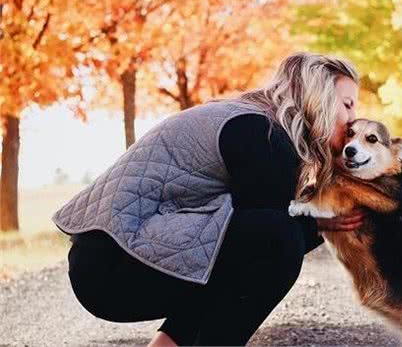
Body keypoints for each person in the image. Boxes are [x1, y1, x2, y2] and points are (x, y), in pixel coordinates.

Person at [61, 52, 365, 346]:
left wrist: (323, 219)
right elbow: (277, 240)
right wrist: (326, 217)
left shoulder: (252, 120)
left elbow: (245, 249)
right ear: (318, 98)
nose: (353, 121)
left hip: (106, 261)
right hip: (114, 266)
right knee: (276, 240)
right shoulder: (264, 134)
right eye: (347, 105)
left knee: (255, 247)